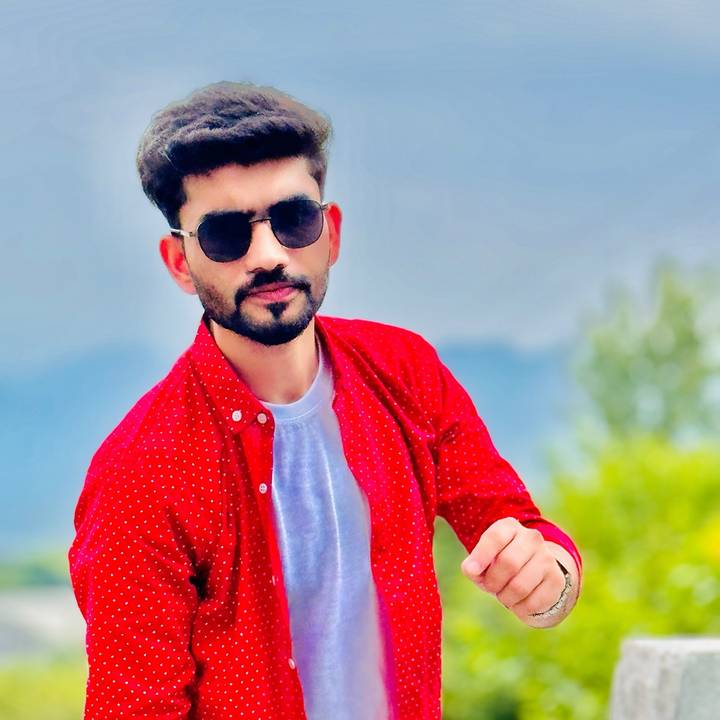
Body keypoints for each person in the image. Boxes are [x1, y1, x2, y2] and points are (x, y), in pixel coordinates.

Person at [67, 81, 583, 720]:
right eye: (226, 234)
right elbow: (133, 706)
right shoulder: (142, 473)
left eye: (293, 220)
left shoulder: (405, 374)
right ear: (179, 262)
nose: (268, 255)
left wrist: (548, 581)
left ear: (330, 232)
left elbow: (523, 533)